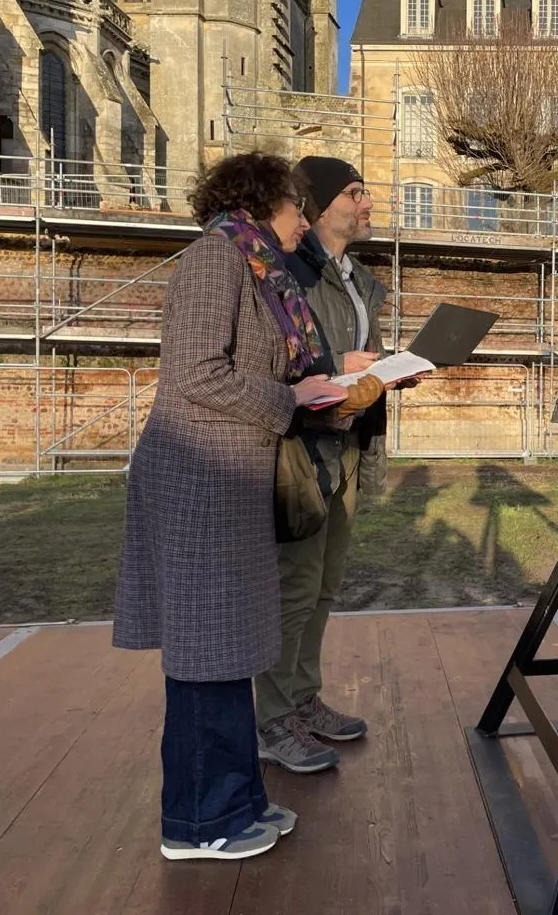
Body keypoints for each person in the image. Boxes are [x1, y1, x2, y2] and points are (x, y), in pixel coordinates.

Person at [111, 152, 383, 861]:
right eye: (296, 206)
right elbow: (197, 374)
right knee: (206, 656)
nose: (303, 221)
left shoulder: (257, 266)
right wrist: (291, 398)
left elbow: (256, 371)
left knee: (227, 651)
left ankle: (239, 803)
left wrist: (323, 393)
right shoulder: (216, 258)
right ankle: (199, 824)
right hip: (198, 481)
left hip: (232, 478)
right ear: (265, 203)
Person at [254, 156, 418, 772]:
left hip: (348, 443)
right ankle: (270, 719)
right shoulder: (286, 272)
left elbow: (350, 360)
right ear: (320, 206)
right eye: (354, 192)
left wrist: (388, 369)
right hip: (302, 450)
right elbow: (281, 357)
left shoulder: (358, 280)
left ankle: (301, 699)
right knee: (294, 589)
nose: (367, 202)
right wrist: (340, 366)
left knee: (323, 587)